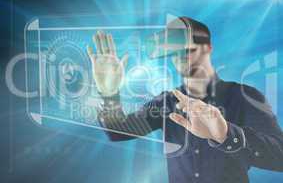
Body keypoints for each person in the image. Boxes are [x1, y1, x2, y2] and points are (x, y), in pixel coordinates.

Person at [87, 17, 283, 183]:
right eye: (175, 52)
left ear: (208, 48)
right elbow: (119, 132)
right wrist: (109, 93)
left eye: (188, 50)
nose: (181, 57)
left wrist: (226, 134)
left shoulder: (244, 96)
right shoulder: (166, 102)